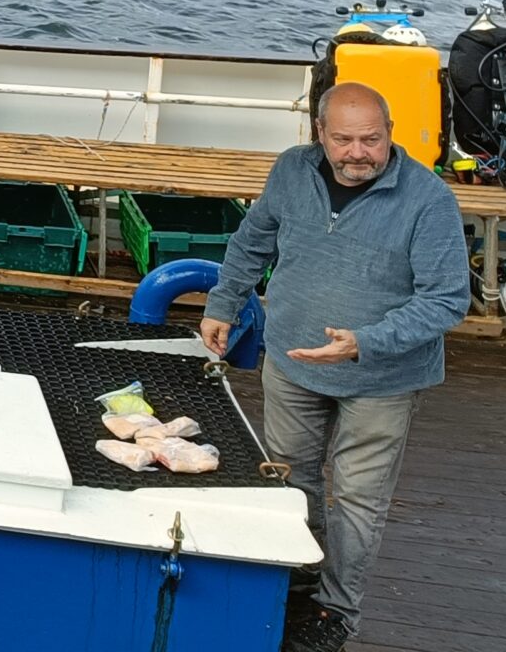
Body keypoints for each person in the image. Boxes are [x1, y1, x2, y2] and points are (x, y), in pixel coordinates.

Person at [200, 82, 469, 652]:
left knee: (356, 499)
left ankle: (335, 612)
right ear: (317, 133)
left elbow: (448, 299)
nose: (357, 152)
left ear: (390, 134)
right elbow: (254, 240)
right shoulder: (291, 170)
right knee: (288, 480)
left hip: (382, 380)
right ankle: (297, 578)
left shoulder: (430, 199)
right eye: (343, 139)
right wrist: (224, 302)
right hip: (292, 362)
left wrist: (364, 342)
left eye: (371, 139)